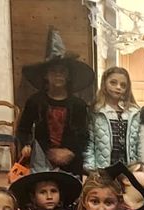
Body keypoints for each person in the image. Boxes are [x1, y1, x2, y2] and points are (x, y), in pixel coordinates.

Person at [17, 28, 94, 174]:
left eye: (62, 71)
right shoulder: (35, 101)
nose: (58, 75)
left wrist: (71, 152)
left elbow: (84, 135)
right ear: (46, 75)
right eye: (53, 71)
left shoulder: (78, 105)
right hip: (41, 159)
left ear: (68, 76)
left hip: (71, 161)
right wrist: (26, 145)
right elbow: (23, 129)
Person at [84, 66, 141, 170]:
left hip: (130, 169)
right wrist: (90, 169)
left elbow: (139, 144)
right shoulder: (96, 111)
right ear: (104, 84)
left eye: (123, 85)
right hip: (103, 169)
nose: (118, 87)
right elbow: (90, 143)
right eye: (113, 83)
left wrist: (140, 167)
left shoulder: (134, 113)